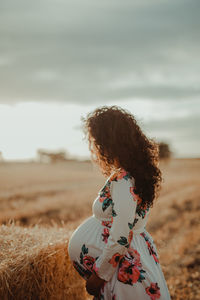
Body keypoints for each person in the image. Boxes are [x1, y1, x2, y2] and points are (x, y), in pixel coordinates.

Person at [68, 105, 171, 300]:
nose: (96, 147)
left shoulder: (123, 179)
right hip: (125, 266)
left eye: (97, 141)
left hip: (121, 274)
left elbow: (122, 234)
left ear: (108, 142)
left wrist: (99, 275)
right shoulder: (134, 175)